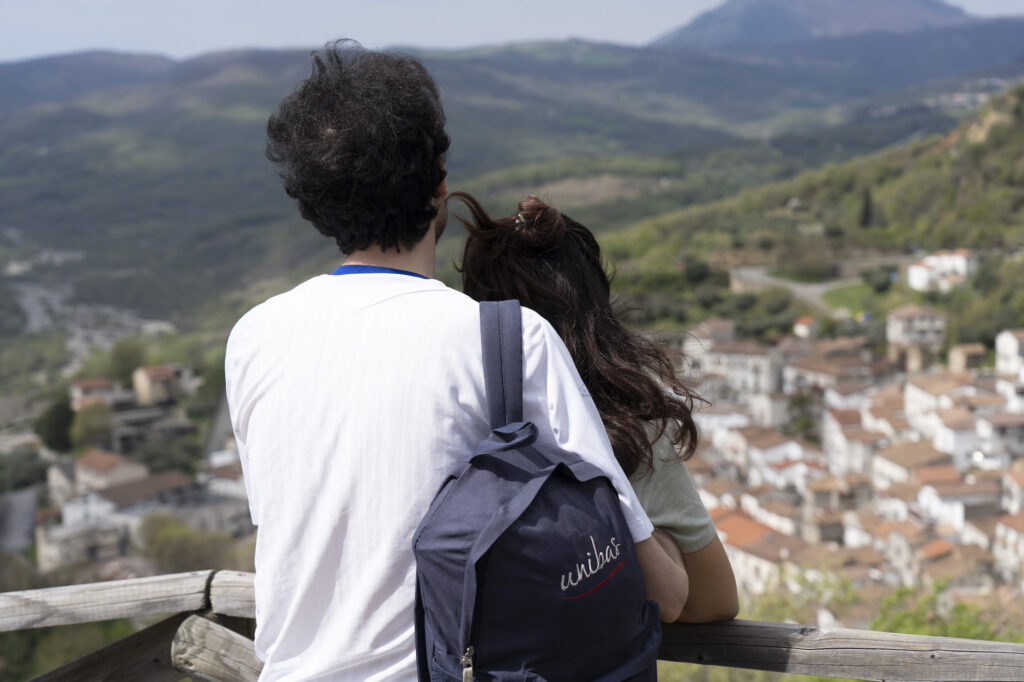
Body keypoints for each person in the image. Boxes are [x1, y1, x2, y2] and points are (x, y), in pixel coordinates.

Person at [225, 41, 687, 681]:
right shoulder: (508, 339)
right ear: (440, 181)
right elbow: (661, 589)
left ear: (313, 204)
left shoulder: (253, 339)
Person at [452, 191, 739, 623]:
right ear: (595, 307)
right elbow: (715, 601)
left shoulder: (452, 420)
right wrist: (658, 543)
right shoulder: (630, 433)